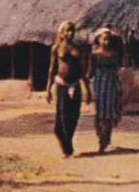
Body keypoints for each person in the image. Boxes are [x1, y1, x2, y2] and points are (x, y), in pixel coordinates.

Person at [46, 20, 90, 157]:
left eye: (72, 30)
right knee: (63, 116)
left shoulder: (78, 48)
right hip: (62, 86)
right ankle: (67, 146)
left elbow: (82, 69)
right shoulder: (57, 48)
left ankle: (68, 143)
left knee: (75, 115)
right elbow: (52, 68)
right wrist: (48, 88)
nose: (70, 33)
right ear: (62, 33)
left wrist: (87, 89)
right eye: (67, 30)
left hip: (75, 85)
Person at [88, 26, 123, 153]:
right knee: (101, 113)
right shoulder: (94, 55)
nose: (107, 42)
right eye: (104, 39)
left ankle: (107, 139)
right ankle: (101, 140)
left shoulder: (114, 54)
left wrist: (118, 86)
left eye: (108, 39)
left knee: (110, 113)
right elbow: (90, 72)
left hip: (111, 85)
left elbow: (116, 70)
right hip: (99, 86)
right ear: (98, 39)